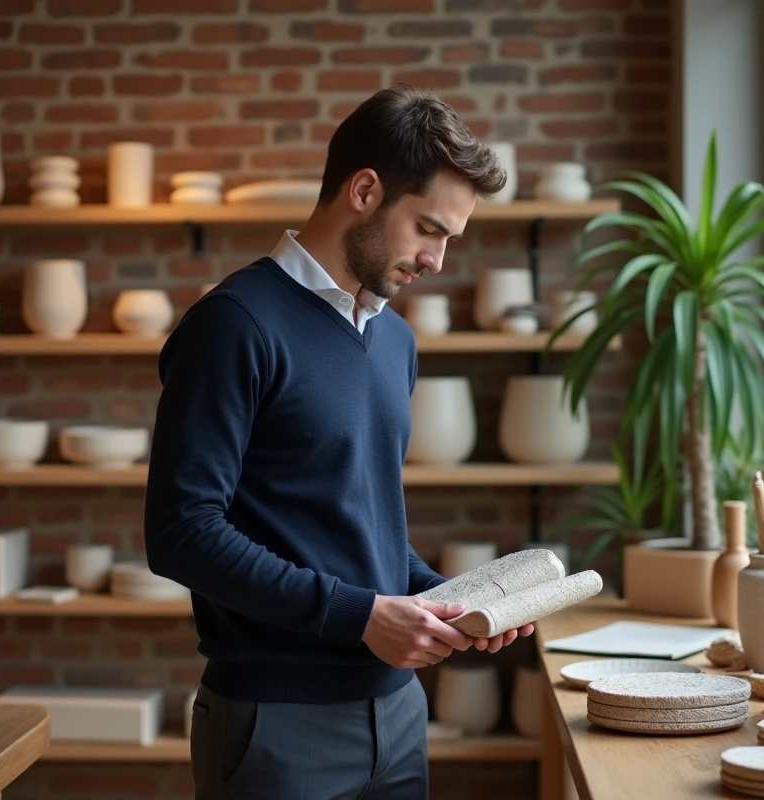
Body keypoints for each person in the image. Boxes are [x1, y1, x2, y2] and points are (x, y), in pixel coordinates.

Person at [143, 84, 534, 800]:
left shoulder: (394, 339)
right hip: (277, 726)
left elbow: (358, 525)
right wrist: (362, 616)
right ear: (364, 191)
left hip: (400, 715)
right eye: (428, 229)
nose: (438, 259)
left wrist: (448, 603)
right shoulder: (234, 324)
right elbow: (180, 532)